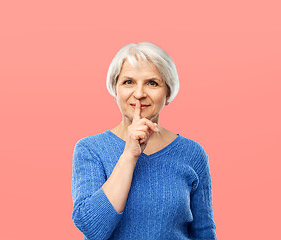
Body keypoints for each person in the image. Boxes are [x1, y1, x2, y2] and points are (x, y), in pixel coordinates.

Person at [71, 42, 218, 239]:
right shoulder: (90, 150)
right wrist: (129, 155)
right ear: (115, 90)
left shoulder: (192, 153)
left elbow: (204, 232)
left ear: (168, 93)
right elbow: (92, 228)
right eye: (128, 82)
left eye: (152, 83)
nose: (139, 94)